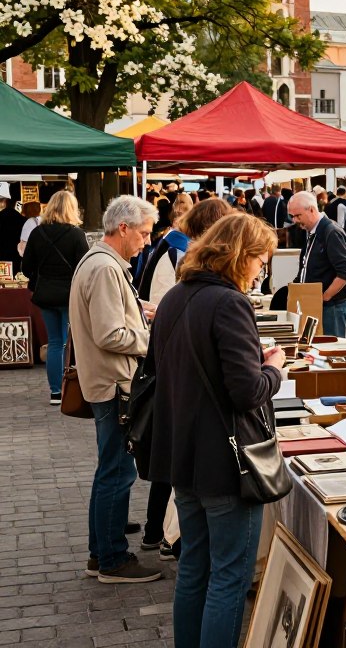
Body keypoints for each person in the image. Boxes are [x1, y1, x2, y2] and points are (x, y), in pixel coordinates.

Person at [149, 214, 285, 648]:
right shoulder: (230, 303)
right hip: (226, 461)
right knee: (228, 576)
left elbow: (164, 371)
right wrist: (273, 369)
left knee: (195, 567)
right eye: (260, 261)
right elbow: (247, 391)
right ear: (239, 256)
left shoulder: (175, 296)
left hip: (183, 455)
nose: (261, 270)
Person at [69, 195, 161, 583]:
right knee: (117, 473)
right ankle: (112, 559)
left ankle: (101, 553)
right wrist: (153, 338)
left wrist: (141, 310)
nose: (146, 241)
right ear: (122, 228)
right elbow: (111, 334)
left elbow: (110, 315)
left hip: (107, 382)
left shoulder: (99, 262)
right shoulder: (105, 268)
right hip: (115, 385)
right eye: (142, 234)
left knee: (110, 470)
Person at [138, 197, 232, 554]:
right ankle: (161, 533)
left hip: (172, 372)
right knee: (172, 464)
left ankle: (158, 532)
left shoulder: (174, 249)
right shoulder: (176, 254)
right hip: (176, 375)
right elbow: (169, 315)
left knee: (170, 463)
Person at [21, 191, 89, 405]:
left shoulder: (37, 233)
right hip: (70, 295)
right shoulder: (76, 234)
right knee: (73, 341)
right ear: (72, 208)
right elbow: (85, 267)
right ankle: (76, 386)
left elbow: (26, 268)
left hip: (46, 295)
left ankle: (55, 392)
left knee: (55, 342)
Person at [287, 191, 346, 337]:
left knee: (329, 351)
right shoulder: (312, 231)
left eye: (297, 215)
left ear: (311, 210)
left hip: (332, 307)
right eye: (292, 216)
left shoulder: (331, 232)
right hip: (318, 304)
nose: (294, 220)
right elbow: (306, 265)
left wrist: (324, 298)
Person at [0, 182, 26, 274]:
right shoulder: (22, 219)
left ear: (6, 202)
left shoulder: (1, 216)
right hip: (16, 257)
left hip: (2, 255)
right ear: (15, 203)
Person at [327, 186, 346, 251]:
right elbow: (341, 223)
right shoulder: (345, 204)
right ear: (345, 193)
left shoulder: (330, 203)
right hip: (344, 232)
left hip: (331, 231)